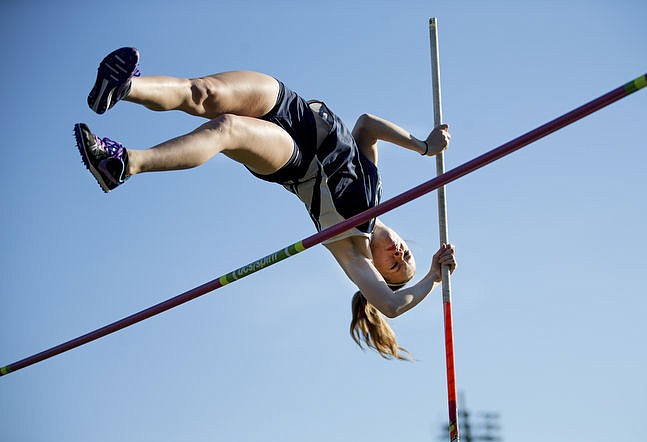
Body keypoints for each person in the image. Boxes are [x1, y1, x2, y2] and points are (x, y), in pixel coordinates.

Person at [74, 47, 456, 360]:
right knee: (203, 92)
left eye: (395, 264)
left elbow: (390, 305)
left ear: (379, 269)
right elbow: (367, 125)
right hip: (297, 109)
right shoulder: (376, 184)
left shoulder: (352, 248)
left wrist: (432, 277)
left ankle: (126, 163)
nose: (400, 253)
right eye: (408, 254)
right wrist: (424, 147)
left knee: (227, 128)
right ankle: (125, 87)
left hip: (294, 159)